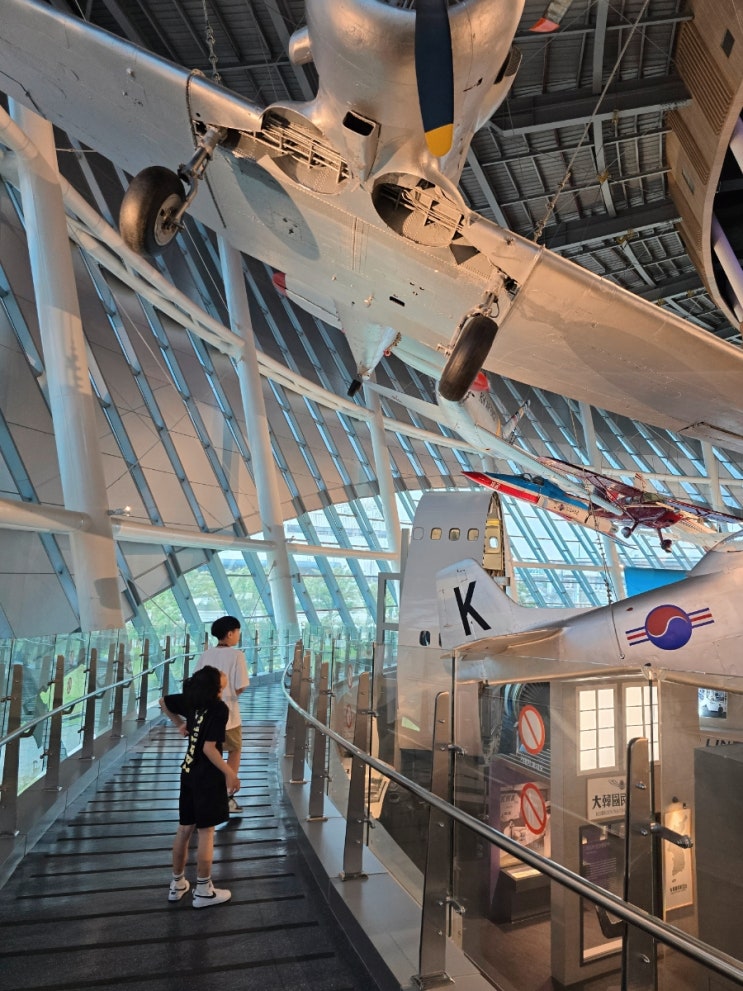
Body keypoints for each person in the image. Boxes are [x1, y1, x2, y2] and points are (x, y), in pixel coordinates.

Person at [159, 665, 239, 908]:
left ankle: (177, 884)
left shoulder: (192, 700)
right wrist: (230, 774)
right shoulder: (218, 709)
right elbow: (209, 748)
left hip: (188, 772)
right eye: (221, 677)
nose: (224, 677)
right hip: (207, 777)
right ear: (215, 687)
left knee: (184, 829)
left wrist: (179, 724)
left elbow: (163, 701)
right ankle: (203, 890)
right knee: (206, 832)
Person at [195, 616, 250, 813]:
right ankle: (227, 795)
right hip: (229, 715)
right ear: (230, 633)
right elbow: (240, 686)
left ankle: (206, 794)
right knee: (234, 750)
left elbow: (195, 682)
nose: (238, 635)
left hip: (205, 714)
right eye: (237, 632)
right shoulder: (237, 655)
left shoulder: (206, 654)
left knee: (209, 751)